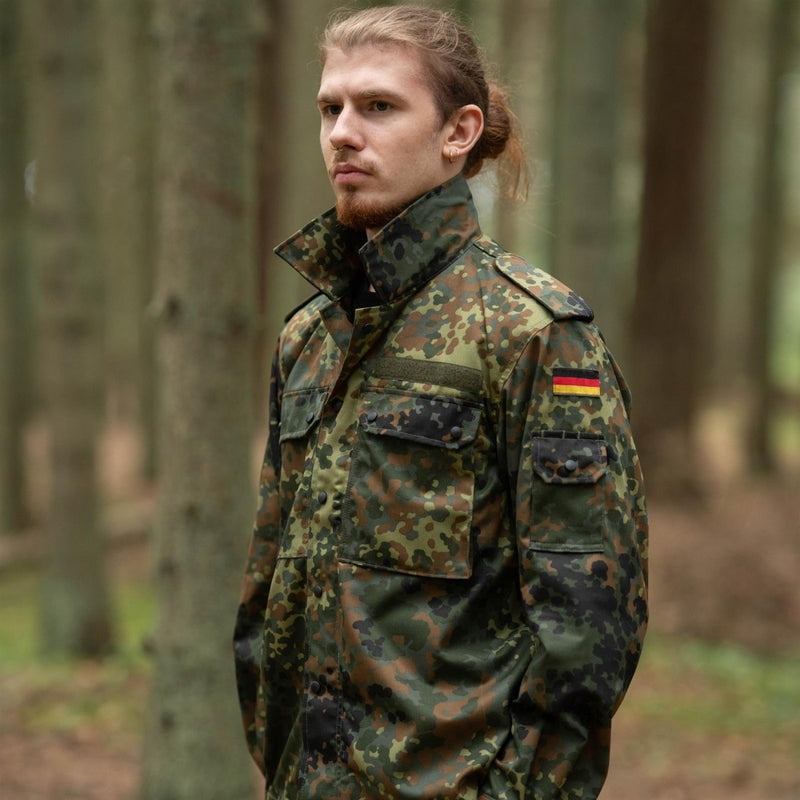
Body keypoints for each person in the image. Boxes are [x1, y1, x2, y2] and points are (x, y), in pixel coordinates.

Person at [233, 5, 648, 800]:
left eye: (378, 106)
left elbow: (591, 623)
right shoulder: (311, 336)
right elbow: (267, 590)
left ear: (458, 132)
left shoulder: (531, 332)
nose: (342, 133)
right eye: (331, 108)